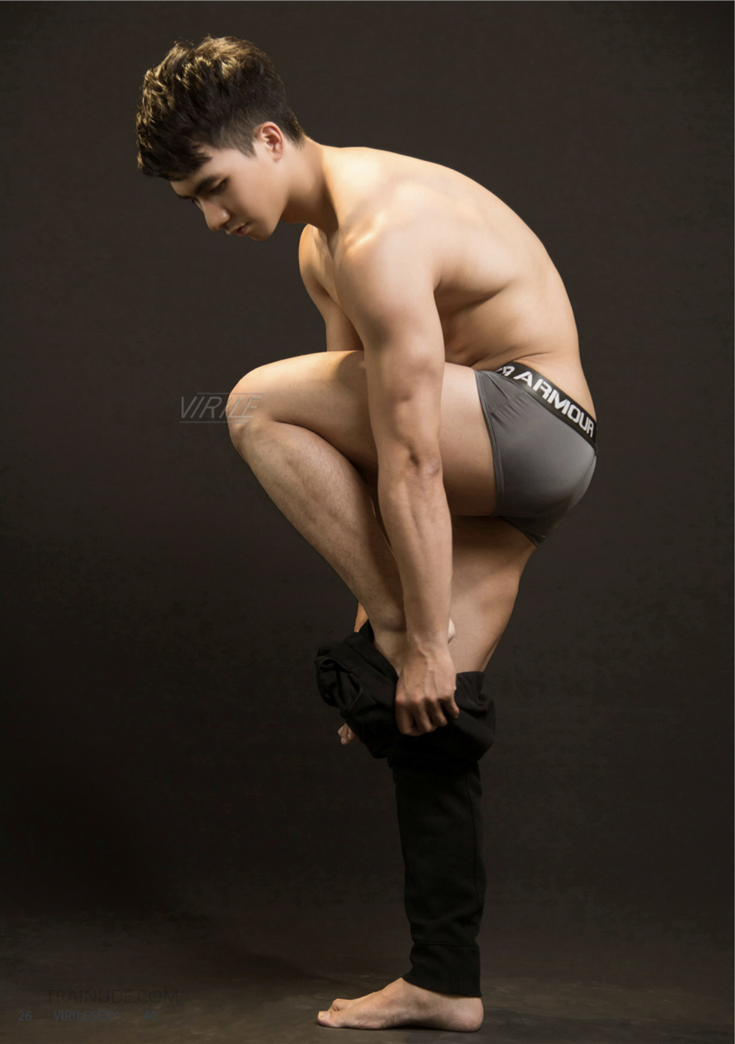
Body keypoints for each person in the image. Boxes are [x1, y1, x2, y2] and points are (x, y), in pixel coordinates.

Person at [136, 35, 598, 1033]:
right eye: (194, 204)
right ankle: (444, 979)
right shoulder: (320, 250)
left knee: (252, 403)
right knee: (429, 717)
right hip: (513, 461)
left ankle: (401, 635)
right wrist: (396, 653)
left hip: (525, 421)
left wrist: (408, 630)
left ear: (269, 141)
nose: (214, 218)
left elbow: (413, 454)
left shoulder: (377, 233)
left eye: (215, 188)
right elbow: (361, 463)